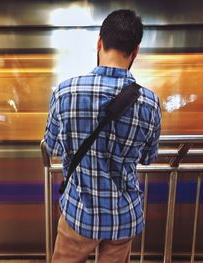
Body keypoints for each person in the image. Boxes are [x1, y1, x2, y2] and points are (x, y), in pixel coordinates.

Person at [44, 9, 161, 263]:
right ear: (135, 51)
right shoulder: (150, 103)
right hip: (123, 217)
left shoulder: (65, 92)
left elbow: (51, 146)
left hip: (79, 214)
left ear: (99, 43)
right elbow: (148, 158)